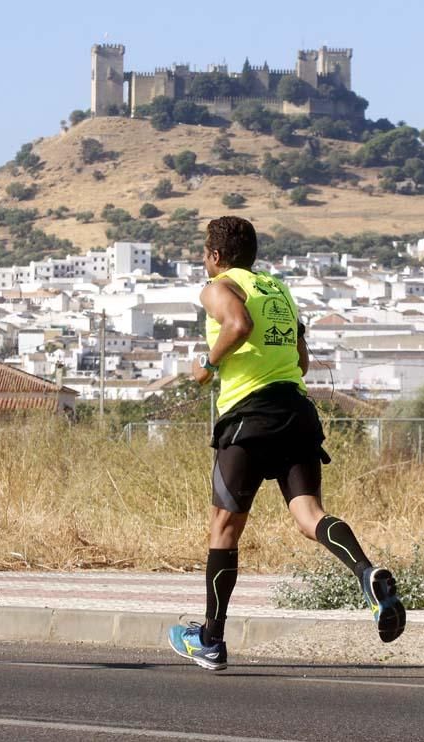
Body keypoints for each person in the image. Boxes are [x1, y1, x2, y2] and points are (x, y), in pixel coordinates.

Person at [168, 217, 405, 671]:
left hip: (247, 418)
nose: (204, 261)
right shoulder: (279, 290)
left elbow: (236, 324)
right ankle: (366, 573)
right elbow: (301, 358)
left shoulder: (217, 286)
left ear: (216, 256)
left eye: (204, 253)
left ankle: (211, 641)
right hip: (296, 411)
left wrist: (205, 365)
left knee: (224, 527)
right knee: (309, 514)